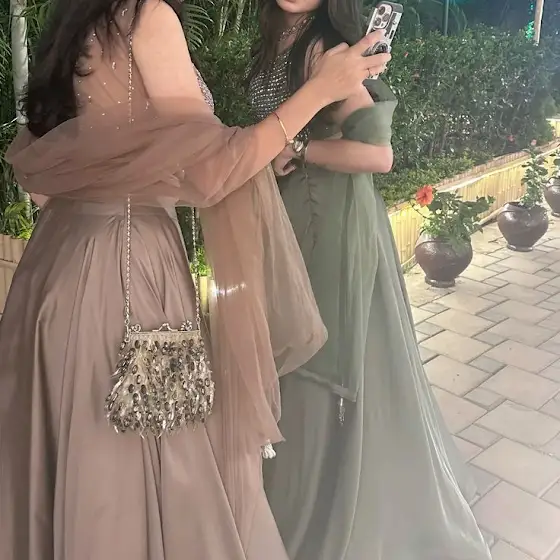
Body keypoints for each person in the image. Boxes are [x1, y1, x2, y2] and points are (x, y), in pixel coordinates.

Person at [0, 0, 391, 556]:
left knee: (74, 460)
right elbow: (214, 171)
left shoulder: (77, 18)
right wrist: (320, 90)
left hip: (53, 265)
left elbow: (45, 182)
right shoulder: (145, 16)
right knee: (143, 470)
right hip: (127, 273)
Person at [248, 1, 493, 559]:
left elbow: (379, 155)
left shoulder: (322, 46)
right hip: (295, 215)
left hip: (330, 223)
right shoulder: (275, 37)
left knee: (319, 350)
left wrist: (300, 149)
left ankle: (330, 508)